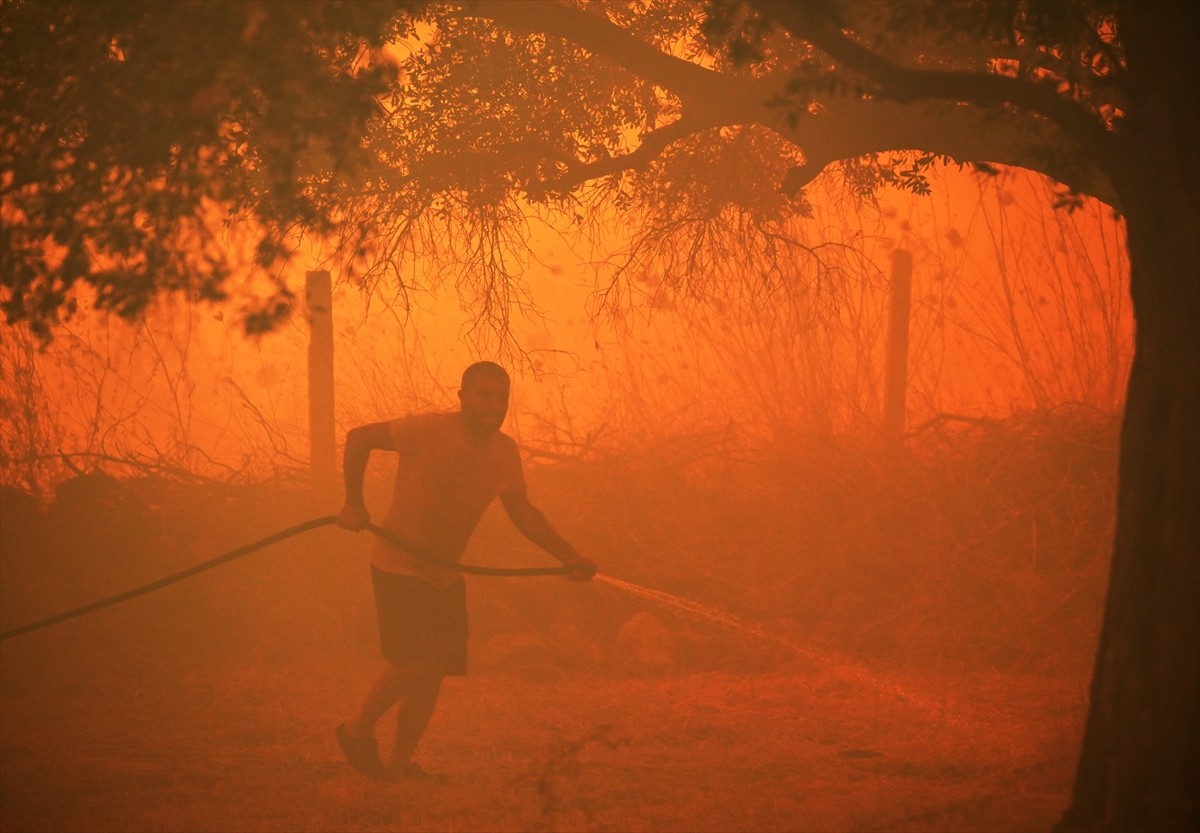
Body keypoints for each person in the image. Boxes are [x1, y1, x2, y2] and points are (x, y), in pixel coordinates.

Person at [334, 360, 596, 781]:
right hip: (398, 565)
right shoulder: (427, 429)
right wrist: (354, 502)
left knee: (433, 673)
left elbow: (522, 511)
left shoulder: (503, 453)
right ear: (462, 398)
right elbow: (359, 438)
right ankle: (357, 729)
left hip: (445, 575)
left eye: (501, 397)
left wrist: (568, 555)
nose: (493, 405)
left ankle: (398, 769)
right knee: (420, 660)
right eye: (484, 395)